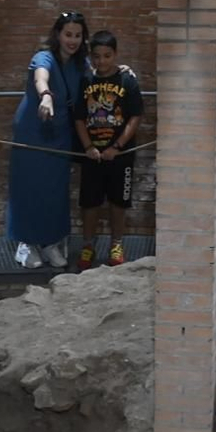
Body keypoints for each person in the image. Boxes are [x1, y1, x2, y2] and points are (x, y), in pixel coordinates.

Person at [6, 11, 89, 268]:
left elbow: (100, 74)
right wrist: (46, 95)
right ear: (58, 35)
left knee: (55, 190)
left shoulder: (81, 64)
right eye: (68, 34)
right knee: (28, 188)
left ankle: (51, 242)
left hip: (60, 134)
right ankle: (25, 244)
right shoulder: (44, 57)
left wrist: (122, 70)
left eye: (77, 35)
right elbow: (41, 76)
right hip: (33, 131)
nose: (72, 40)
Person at [73, 30, 144, 270]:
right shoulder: (86, 80)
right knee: (90, 203)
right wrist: (88, 146)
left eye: (106, 55)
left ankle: (117, 243)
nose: (101, 61)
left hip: (120, 156)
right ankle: (88, 244)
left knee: (118, 202)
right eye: (96, 56)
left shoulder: (127, 80)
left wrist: (117, 146)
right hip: (93, 155)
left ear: (115, 55)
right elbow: (80, 118)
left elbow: (135, 117)